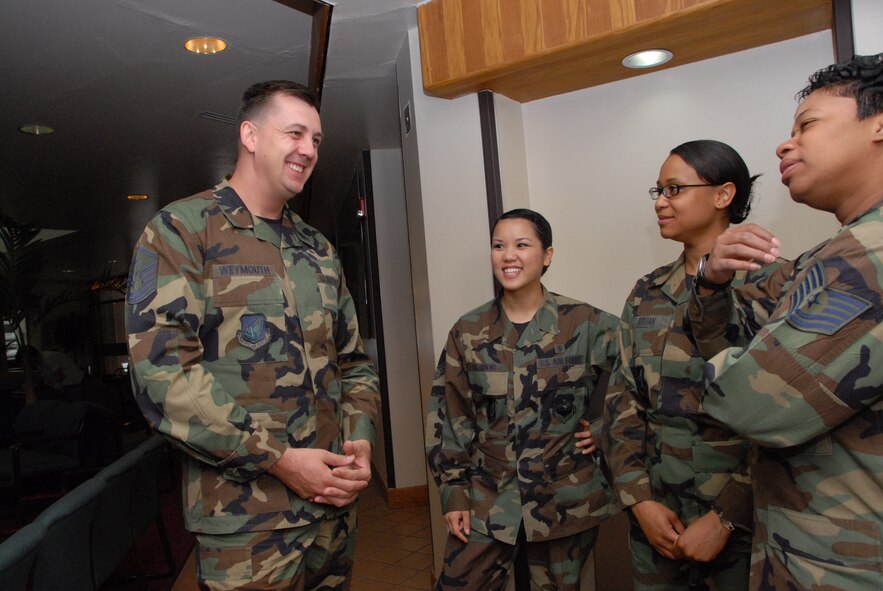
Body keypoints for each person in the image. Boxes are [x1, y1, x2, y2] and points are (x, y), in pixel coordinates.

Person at [126, 80, 380, 590]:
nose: (308, 149)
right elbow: (162, 374)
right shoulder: (183, 230)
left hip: (332, 511)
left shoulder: (319, 249)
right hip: (246, 523)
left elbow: (353, 362)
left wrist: (361, 442)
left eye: (317, 140)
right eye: (295, 133)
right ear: (250, 134)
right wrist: (280, 460)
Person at [686, 53, 883, 589]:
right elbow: (731, 328)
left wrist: (734, 371)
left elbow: (752, 402)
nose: (784, 143)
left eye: (808, 125)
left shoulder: (870, 256)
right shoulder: (835, 253)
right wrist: (712, 282)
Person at [600, 140, 780, 590]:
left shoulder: (773, 285)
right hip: (659, 518)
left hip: (746, 524)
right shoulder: (648, 292)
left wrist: (726, 518)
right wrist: (639, 500)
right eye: (657, 191)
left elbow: (784, 418)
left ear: (723, 195)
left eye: (674, 189)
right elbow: (622, 404)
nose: (660, 202)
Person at [425, 208, 619, 591]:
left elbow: (644, 382)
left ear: (547, 255)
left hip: (564, 498)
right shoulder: (468, 331)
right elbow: (450, 418)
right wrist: (453, 493)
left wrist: (604, 428)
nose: (508, 255)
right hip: (487, 496)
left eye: (521, 245)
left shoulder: (588, 324)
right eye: (499, 246)